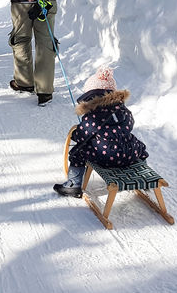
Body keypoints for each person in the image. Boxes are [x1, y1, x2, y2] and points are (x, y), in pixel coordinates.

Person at [55, 67, 149, 197]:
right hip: (129, 154)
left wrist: (76, 134)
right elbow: (129, 125)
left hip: (106, 156)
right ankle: (142, 174)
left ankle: (73, 184)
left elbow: (83, 134)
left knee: (77, 152)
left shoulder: (94, 114)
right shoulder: (123, 109)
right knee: (139, 145)